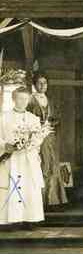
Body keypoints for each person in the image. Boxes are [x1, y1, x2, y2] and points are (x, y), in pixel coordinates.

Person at [0, 87, 45, 230]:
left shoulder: (33, 118)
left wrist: (30, 144)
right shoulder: (4, 117)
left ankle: (30, 219)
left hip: (27, 158)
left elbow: (38, 138)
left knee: (29, 186)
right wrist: (5, 145)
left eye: (25, 99)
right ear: (14, 99)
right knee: (10, 186)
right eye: (20, 98)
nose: (23, 102)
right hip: (11, 158)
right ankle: (10, 221)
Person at [27, 72, 68, 210]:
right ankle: (41, 202)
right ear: (34, 84)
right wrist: (40, 126)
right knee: (43, 165)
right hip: (37, 137)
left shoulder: (50, 100)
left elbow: (57, 117)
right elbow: (27, 119)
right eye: (39, 83)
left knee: (53, 165)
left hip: (51, 137)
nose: (42, 85)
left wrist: (52, 124)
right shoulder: (30, 100)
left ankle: (53, 201)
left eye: (44, 83)